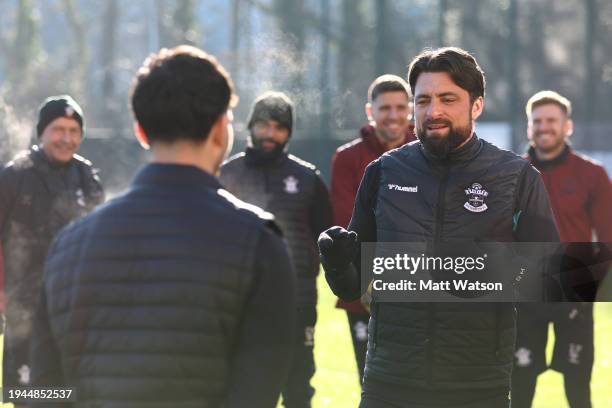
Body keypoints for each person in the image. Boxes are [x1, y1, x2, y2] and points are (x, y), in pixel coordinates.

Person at [30, 46, 296, 407]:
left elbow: (44, 390)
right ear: (221, 129)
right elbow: (258, 391)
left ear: (141, 131)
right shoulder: (259, 242)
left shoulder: (67, 245)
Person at [318, 47, 560, 407]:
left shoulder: (517, 176)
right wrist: (337, 261)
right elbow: (352, 287)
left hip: (479, 384)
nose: (434, 112)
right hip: (390, 380)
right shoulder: (382, 173)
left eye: (448, 99)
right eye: (423, 100)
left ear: (476, 105)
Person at [220, 91, 333, 408]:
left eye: (279, 127)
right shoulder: (226, 175)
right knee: (244, 392)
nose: (271, 134)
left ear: (289, 133)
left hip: (297, 302)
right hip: (238, 304)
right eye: (264, 126)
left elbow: (325, 237)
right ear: (250, 126)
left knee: (298, 390)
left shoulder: (307, 179)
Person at [512, 90, 612, 408]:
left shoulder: (592, 174)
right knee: (519, 385)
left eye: (552, 120)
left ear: (567, 126)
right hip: (526, 294)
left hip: (574, 294)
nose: (544, 127)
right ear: (529, 127)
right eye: (537, 121)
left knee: (578, 387)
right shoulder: (511, 174)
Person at [0, 95, 104, 390]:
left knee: (67, 392)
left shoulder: (88, 178)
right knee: (28, 392)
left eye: (74, 131)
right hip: (25, 311)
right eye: (58, 129)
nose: (66, 138)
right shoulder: (14, 176)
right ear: (41, 132)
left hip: (75, 308)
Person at [330, 74, 415, 384]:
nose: (393, 115)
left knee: (415, 380)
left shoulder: (426, 154)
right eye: (385, 108)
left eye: (400, 107)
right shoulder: (347, 158)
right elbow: (345, 218)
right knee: (370, 379)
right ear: (370, 111)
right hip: (364, 283)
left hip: (416, 281)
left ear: (410, 111)